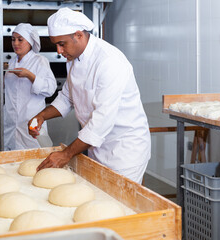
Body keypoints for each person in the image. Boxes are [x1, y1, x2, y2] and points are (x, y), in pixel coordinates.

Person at [28, 8, 151, 184]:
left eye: (62, 44)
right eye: (56, 44)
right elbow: (67, 97)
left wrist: (66, 154)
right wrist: (42, 115)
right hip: (97, 146)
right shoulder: (72, 58)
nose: (59, 51)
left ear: (78, 35)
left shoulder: (109, 62)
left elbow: (101, 122)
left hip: (124, 149)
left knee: (119, 206)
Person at [0, 23, 57, 150]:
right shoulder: (11, 63)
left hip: (31, 122)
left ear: (30, 41)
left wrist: (30, 75)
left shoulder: (40, 61)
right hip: (11, 125)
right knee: (11, 161)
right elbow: (6, 90)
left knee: (33, 159)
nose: (15, 43)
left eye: (20, 39)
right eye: (13, 39)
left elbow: (50, 89)